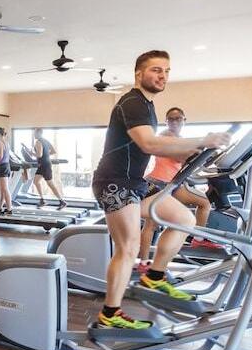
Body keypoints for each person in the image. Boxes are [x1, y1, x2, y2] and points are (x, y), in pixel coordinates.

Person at [91, 50, 231, 330]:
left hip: (135, 183)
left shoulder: (147, 105)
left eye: (166, 71)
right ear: (139, 73)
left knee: (184, 218)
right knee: (128, 247)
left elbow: (156, 146)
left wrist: (194, 150)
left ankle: (154, 276)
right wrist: (203, 140)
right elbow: (149, 144)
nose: (163, 76)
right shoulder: (133, 102)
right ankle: (110, 314)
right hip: (115, 182)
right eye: (156, 70)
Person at [137, 107, 222, 273]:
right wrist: (202, 145)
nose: (174, 121)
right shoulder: (166, 136)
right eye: (171, 118)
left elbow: (185, 160)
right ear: (166, 121)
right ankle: (198, 238)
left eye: (178, 118)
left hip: (170, 184)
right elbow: (180, 157)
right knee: (204, 203)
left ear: (184, 120)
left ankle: (144, 262)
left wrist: (203, 151)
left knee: (151, 224)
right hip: (161, 183)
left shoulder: (179, 139)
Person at [32, 128, 68, 210]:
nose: (34, 135)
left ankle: (62, 201)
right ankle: (42, 200)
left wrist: (31, 153)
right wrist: (46, 155)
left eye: (35, 133)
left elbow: (39, 155)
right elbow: (53, 151)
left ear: (39, 133)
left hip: (44, 165)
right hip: (44, 165)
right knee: (36, 181)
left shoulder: (38, 142)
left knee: (50, 184)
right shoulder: (45, 141)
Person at [0, 127, 13, 214]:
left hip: (2, 167)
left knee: (4, 189)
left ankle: (9, 209)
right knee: (2, 189)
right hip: (5, 166)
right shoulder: (5, 142)